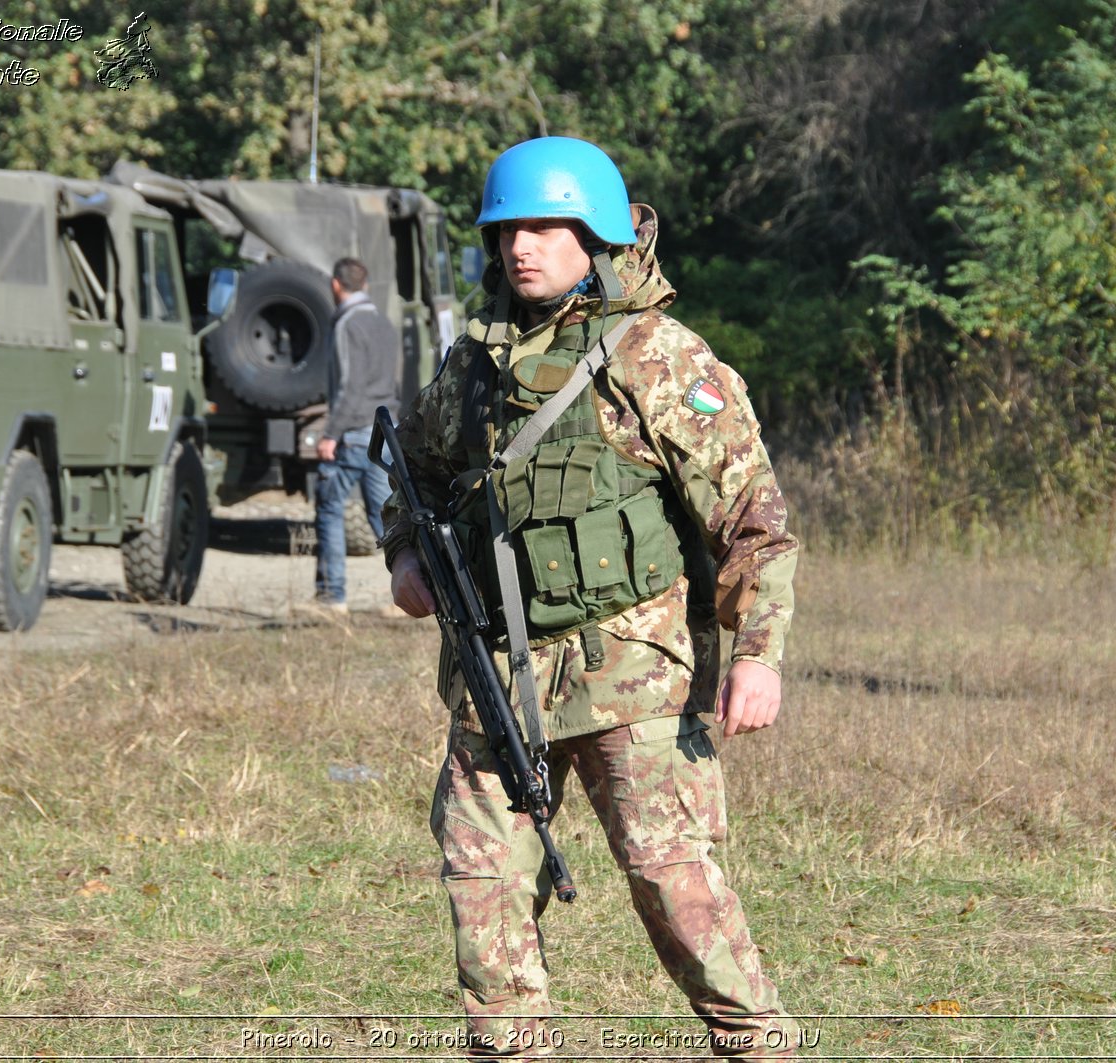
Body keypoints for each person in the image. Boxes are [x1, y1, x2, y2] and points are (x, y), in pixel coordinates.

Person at [381, 136, 800, 1056]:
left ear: (596, 234)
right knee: (481, 882)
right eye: (505, 232)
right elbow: (411, 470)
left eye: (543, 227)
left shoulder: (660, 359)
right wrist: (405, 554)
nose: (519, 247)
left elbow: (755, 525)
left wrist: (759, 656)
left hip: (634, 674)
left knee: (673, 887)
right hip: (499, 672)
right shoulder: (474, 368)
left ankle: (759, 1042)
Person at [311, 256, 401, 613]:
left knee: (330, 508)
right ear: (364, 285)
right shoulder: (382, 322)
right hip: (384, 429)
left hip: (354, 433)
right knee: (387, 519)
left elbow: (349, 387)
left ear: (336, 285)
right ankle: (410, 595)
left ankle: (332, 596)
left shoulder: (347, 324)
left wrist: (330, 433)